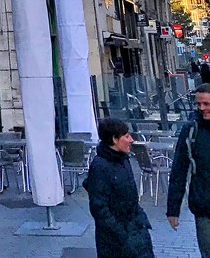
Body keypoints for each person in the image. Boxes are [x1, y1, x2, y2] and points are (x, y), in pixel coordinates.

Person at [84, 118, 153, 258]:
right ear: (115, 139)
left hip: (136, 232)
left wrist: (141, 220)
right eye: (126, 136)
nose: (131, 140)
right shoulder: (100, 166)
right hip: (115, 242)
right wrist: (121, 233)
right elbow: (99, 208)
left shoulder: (124, 160)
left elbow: (131, 199)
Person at [168, 83, 210, 255]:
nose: (201, 108)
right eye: (198, 104)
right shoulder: (191, 130)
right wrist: (173, 209)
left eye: (206, 104)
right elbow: (179, 170)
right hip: (203, 206)